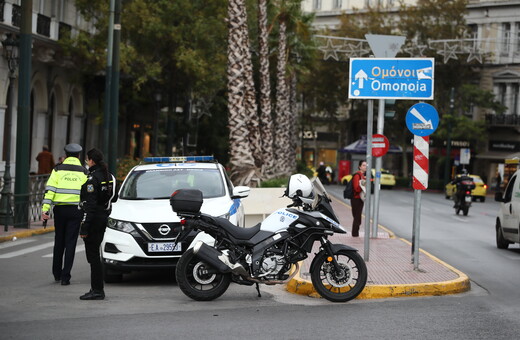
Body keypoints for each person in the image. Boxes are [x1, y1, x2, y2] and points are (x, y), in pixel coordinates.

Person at [42, 143, 88, 285]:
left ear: (66, 155)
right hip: (76, 211)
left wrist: (45, 209)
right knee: (71, 243)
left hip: (60, 210)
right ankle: (65, 277)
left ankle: (56, 273)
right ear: (79, 156)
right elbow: (87, 194)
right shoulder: (83, 172)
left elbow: (50, 190)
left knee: (59, 241)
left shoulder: (57, 170)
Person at [79, 148, 117, 301]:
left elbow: (90, 206)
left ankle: (97, 290)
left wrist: (84, 227)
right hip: (103, 217)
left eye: (87, 160)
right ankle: (97, 288)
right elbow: (114, 198)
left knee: (93, 257)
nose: (87, 162)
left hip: (94, 219)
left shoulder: (92, 179)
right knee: (96, 254)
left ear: (91, 161)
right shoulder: (110, 176)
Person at [350, 160, 367, 237]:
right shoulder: (357, 175)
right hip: (356, 198)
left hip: (360, 198)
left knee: (358, 217)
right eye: (363, 165)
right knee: (357, 217)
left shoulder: (363, 176)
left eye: (366, 165)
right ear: (359, 166)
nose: (365, 167)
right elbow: (356, 188)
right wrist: (363, 187)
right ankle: (355, 234)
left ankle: (355, 233)